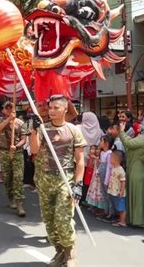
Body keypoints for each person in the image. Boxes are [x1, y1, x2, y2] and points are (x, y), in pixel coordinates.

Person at [30, 95, 87, 267]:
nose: (52, 111)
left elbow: (80, 160)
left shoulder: (73, 130)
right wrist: (34, 130)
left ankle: (70, 253)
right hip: (44, 179)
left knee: (63, 219)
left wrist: (78, 184)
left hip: (65, 179)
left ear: (64, 109)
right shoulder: (42, 129)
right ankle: (60, 252)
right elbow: (34, 149)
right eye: (50, 107)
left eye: (56, 107)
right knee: (49, 221)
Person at [0, 101, 28, 217]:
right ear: (3, 110)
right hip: (4, 152)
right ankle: (11, 197)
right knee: (7, 178)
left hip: (17, 153)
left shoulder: (21, 123)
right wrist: (9, 120)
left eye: (11, 108)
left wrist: (17, 146)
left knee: (18, 177)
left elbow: (24, 139)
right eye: (6, 108)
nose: (9, 110)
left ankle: (19, 203)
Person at [119, 119, 144, 227]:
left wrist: (122, 131)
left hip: (139, 172)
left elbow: (128, 143)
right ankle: (136, 219)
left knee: (139, 197)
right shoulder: (143, 137)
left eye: (142, 125)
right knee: (138, 196)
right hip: (137, 170)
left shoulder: (143, 138)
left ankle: (139, 220)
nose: (139, 126)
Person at [107, 150, 127, 227]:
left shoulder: (120, 170)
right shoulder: (114, 168)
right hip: (113, 190)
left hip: (118, 192)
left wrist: (122, 191)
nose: (110, 159)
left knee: (121, 206)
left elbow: (123, 181)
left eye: (111, 157)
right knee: (118, 205)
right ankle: (120, 219)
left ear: (116, 159)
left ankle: (123, 221)